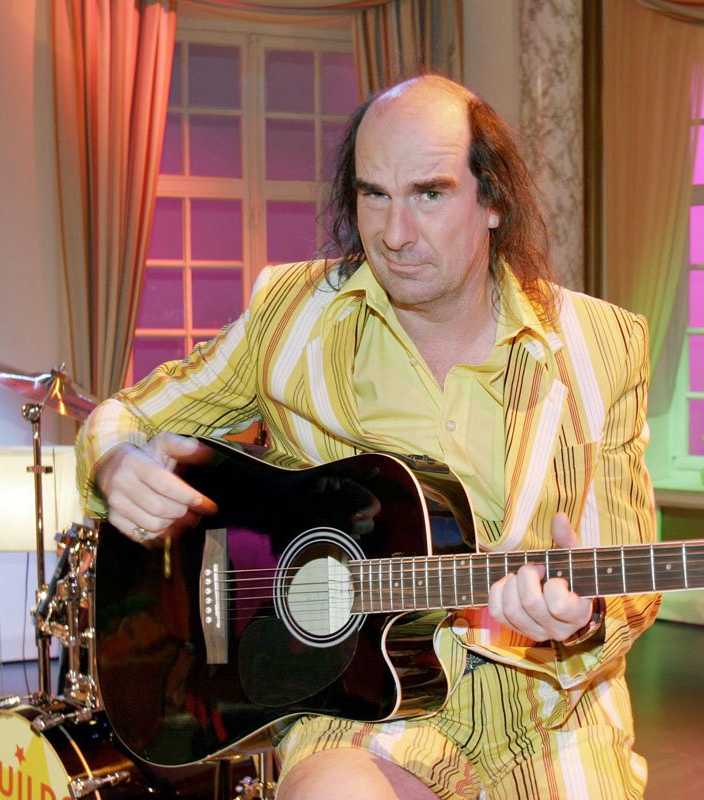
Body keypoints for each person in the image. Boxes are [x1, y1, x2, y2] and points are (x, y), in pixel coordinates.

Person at [77, 74, 660, 799]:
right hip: (354, 701)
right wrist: (113, 463)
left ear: (493, 201)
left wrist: (579, 619)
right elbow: (128, 415)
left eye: (429, 194)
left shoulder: (602, 344)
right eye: (373, 194)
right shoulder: (291, 314)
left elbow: (632, 580)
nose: (394, 234)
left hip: (552, 710)